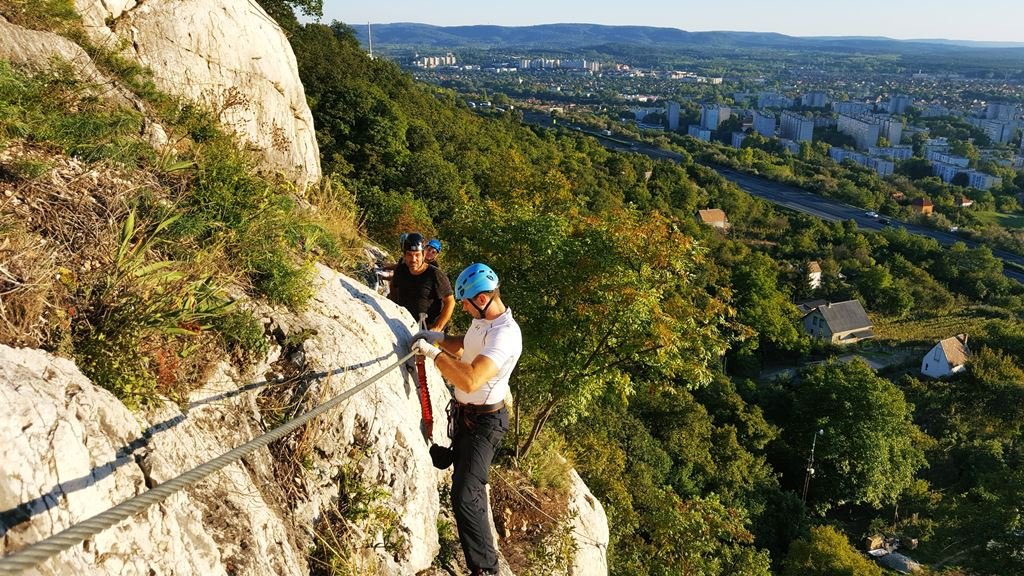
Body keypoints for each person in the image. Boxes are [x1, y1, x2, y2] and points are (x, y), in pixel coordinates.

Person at [411, 263, 522, 576]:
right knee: (465, 489)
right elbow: (468, 346)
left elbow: (471, 380)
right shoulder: (484, 321)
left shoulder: (505, 336)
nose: (462, 307)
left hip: (485, 424)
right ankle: (482, 561)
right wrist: (438, 338)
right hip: (468, 419)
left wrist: (433, 355)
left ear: (483, 299)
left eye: (466, 302)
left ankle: (486, 570)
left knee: (464, 494)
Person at [388, 232, 455, 331]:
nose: (413, 259)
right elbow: (393, 289)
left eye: (417, 255)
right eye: (409, 255)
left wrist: (437, 328)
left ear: (423, 254)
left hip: (428, 329)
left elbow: (450, 302)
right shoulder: (401, 270)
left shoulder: (435, 274)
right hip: (403, 323)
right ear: (404, 255)